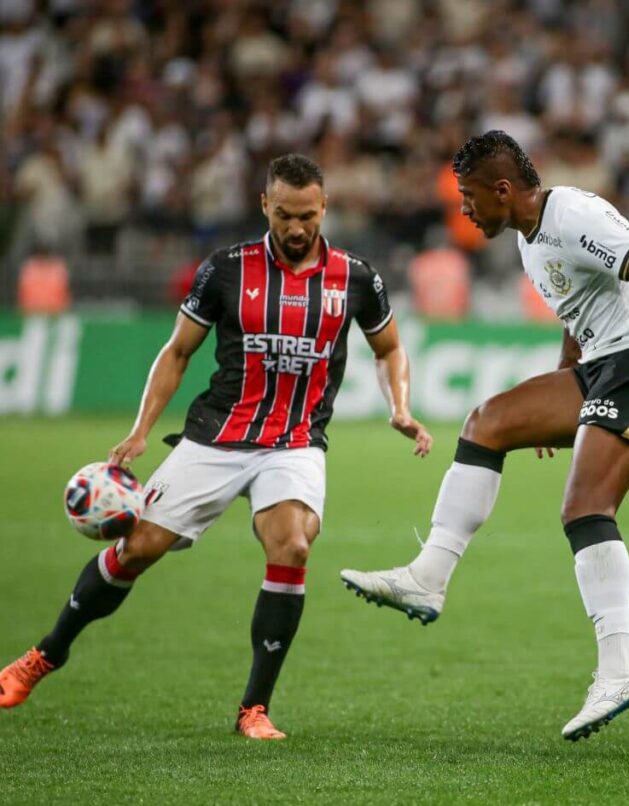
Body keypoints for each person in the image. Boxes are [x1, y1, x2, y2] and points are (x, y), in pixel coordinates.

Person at [339, 130, 629, 741]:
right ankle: (429, 578)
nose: (464, 209)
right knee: (486, 423)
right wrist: (559, 392)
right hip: (603, 364)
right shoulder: (530, 239)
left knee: (585, 508)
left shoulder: (573, 215)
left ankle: (620, 668)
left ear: (503, 189)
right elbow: (578, 315)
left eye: (470, 195)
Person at [0, 154, 433, 740]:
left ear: (324, 207)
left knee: (293, 545)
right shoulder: (227, 269)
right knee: (137, 548)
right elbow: (178, 352)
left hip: (295, 442)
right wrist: (140, 429)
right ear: (265, 205)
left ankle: (253, 708)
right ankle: (45, 655)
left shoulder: (357, 277)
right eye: (285, 215)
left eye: (307, 215)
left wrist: (399, 407)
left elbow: (389, 349)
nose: (297, 227)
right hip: (218, 435)